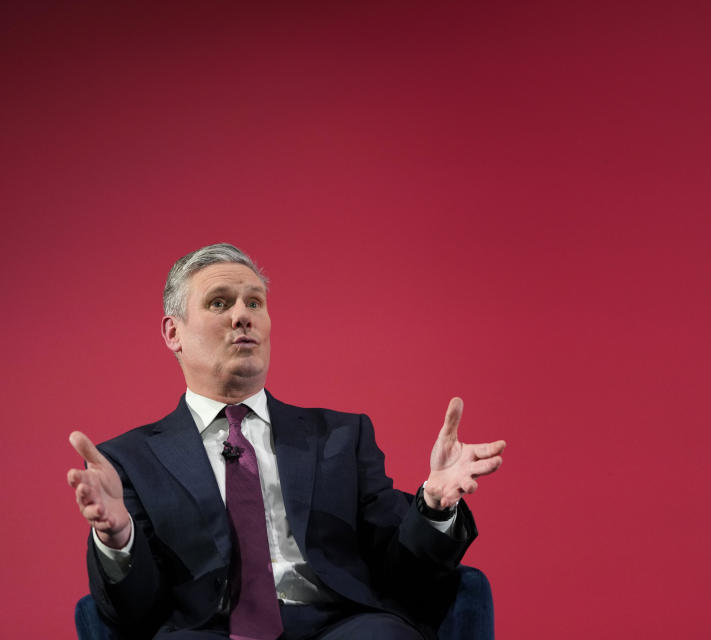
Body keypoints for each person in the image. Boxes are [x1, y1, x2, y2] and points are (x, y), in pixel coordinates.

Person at [67, 243, 505, 640]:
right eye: (220, 302)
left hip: (340, 626)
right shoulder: (131, 460)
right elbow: (133, 612)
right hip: (209, 631)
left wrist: (432, 505)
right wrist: (117, 537)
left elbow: (402, 576)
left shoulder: (341, 437)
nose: (243, 315)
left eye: (254, 302)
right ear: (172, 333)